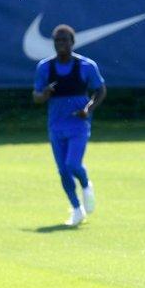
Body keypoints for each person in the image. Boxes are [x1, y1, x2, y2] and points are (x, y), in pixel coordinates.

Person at [33, 24, 107, 226]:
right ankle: (76, 209)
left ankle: (85, 184)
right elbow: (36, 96)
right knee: (63, 170)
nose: (61, 43)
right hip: (56, 124)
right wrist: (45, 94)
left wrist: (88, 108)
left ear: (73, 42)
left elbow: (100, 90)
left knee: (72, 164)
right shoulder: (45, 67)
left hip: (78, 123)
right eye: (57, 40)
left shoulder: (86, 66)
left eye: (65, 40)